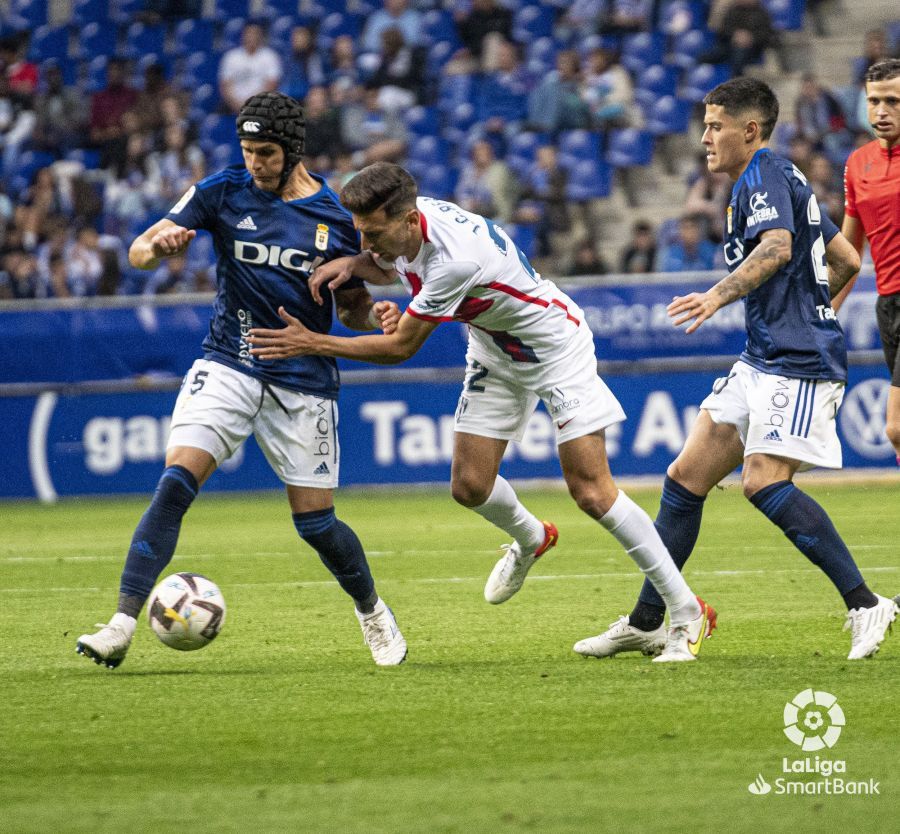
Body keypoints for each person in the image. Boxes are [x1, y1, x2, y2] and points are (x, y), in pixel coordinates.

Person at [247, 161, 718, 663]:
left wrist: (311, 342)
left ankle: (687, 613)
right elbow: (394, 265)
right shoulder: (411, 227)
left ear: (406, 220)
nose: (365, 242)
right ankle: (532, 538)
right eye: (359, 232)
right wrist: (358, 266)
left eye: (372, 232)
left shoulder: (454, 258)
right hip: (496, 348)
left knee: (590, 490)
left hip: (554, 348)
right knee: (469, 485)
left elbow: (400, 348)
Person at [76, 93, 407, 669]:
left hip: (302, 379)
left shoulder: (335, 215)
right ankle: (121, 624)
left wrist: (374, 315)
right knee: (176, 480)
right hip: (229, 360)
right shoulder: (220, 191)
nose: (255, 162)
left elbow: (351, 307)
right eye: (248, 150)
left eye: (266, 152)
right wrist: (160, 246)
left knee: (317, 525)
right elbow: (137, 252)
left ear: (293, 149)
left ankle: (372, 612)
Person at [578, 77, 898, 662]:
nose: (704, 138)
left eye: (715, 126)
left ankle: (863, 602)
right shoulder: (771, 179)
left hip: (797, 363)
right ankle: (649, 620)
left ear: (749, 130)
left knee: (763, 482)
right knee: (684, 479)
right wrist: (818, 307)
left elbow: (777, 248)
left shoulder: (764, 176)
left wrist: (718, 298)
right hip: (763, 357)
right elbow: (847, 257)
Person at [834, 59, 900, 464]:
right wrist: (824, 313)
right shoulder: (858, 164)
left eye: (892, 101)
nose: (881, 111)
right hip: (887, 305)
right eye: (874, 100)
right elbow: (848, 251)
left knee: (896, 425)